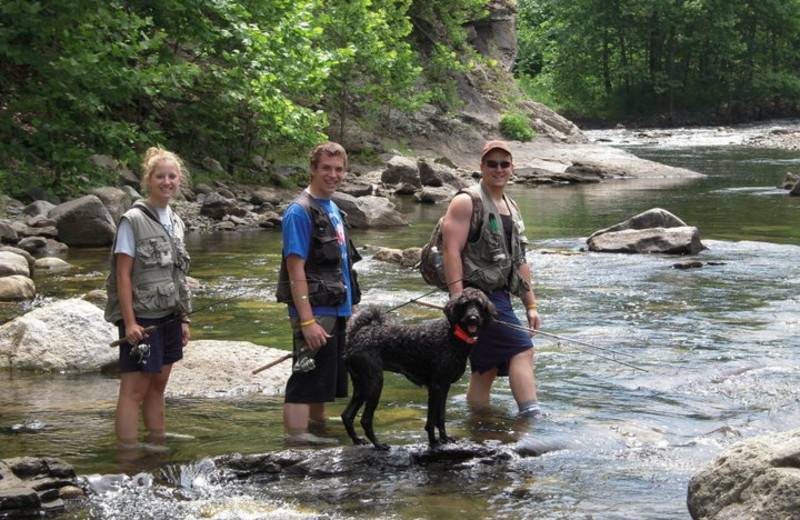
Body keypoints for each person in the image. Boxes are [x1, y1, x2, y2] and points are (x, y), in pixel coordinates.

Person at [440, 140, 542, 418]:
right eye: (492, 164)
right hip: (477, 298)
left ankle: (478, 422)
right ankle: (532, 417)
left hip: (501, 296)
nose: (499, 169)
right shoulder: (465, 201)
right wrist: (458, 301)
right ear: (481, 166)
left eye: (504, 164)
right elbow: (451, 251)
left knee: (487, 368)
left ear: (512, 168)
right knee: (522, 350)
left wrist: (530, 304)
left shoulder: (511, 205)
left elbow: (519, 259)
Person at [104, 146, 192, 449]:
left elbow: (178, 276)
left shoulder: (176, 221)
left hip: (169, 316)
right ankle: (127, 457)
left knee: (158, 386)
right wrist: (129, 323)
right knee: (133, 392)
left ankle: (157, 447)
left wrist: (183, 318)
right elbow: (122, 275)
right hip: (141, 317)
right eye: (160, 177)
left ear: (179, 180)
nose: (167, 182)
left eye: (172, 176)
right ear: (149, 180)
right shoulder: (132, 220)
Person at [276, 141, 362, 442]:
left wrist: (351, 308)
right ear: (312, 169)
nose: (333, 175)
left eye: (339, 169)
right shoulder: (298, 212)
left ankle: (316, 431)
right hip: (315, 311)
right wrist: (307, 321)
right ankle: (296, 442)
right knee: (305, 376)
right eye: (326, 168)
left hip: (337, 308)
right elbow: (295, 269)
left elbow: (342, 265)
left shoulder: (334, 209)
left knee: (322, 381)